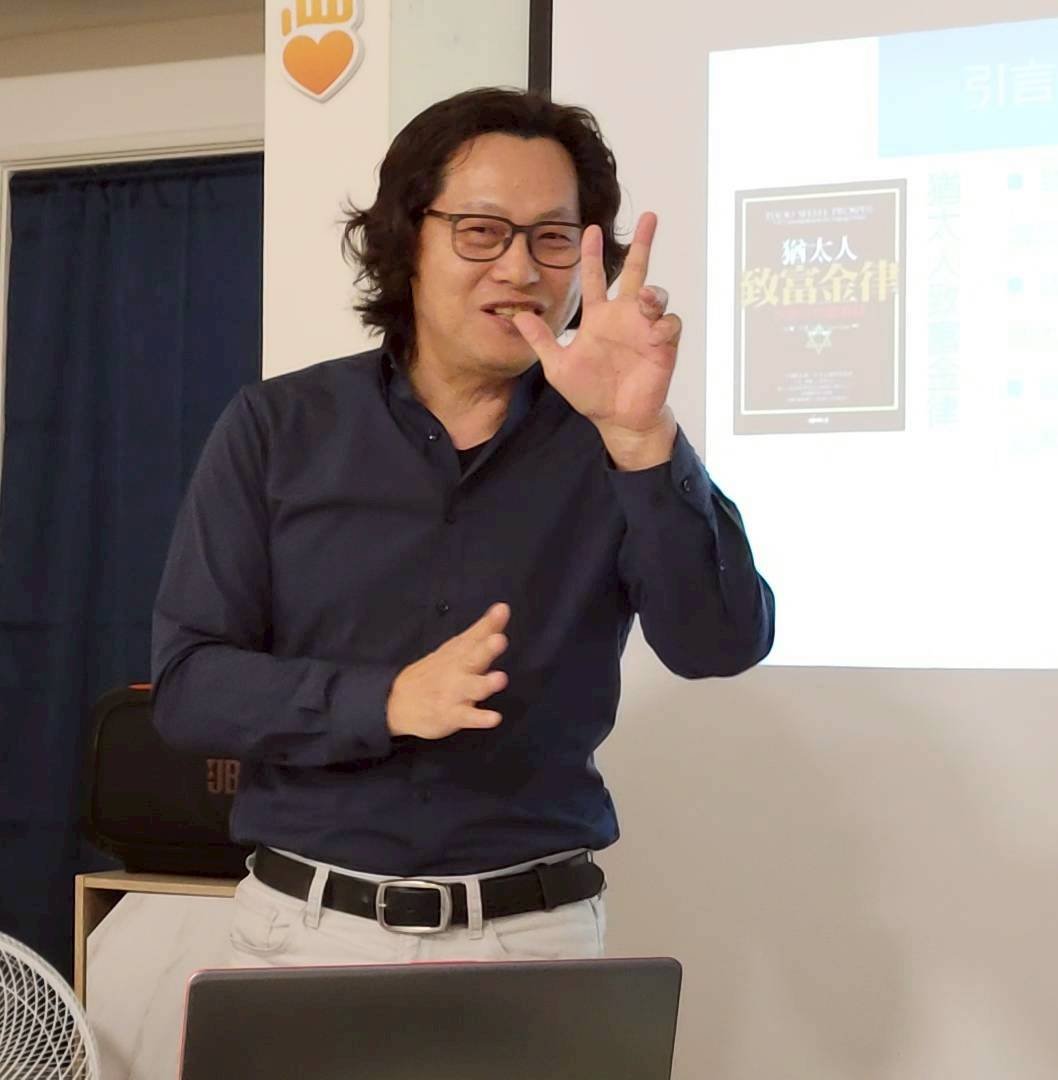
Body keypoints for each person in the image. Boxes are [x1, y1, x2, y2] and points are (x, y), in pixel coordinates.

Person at [151, 87, 774, 966]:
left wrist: (640, 438)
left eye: (553, 238)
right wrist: (385, 702)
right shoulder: (279, 427)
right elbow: (191, 686)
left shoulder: (612, 438)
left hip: (535, 937)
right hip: (310, 931)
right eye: (482, 232)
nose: (519, 269)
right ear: (408, 239)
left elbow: (719, 644)